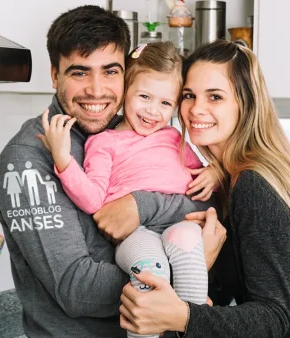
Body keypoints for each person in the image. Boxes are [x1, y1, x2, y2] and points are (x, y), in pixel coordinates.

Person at [117, 40, 290, 337]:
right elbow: (235, 295)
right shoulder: (232, 177)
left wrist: (183, 316)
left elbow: (272, 319)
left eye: (215, 97)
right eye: (189, 95)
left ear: (245, 103)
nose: (197, 109)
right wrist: (205, 262)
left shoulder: (254, 185)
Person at [0, 6, 211, 338]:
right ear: (54, 75)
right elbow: (75, 288)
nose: (96, 89)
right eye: (79, 72)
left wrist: (143, 205)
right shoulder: (28, 160)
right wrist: (185, 269)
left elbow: (201, 203)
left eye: (110, 71)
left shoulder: (138, 134)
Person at [38, 41, 217, 338]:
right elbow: (93, 199)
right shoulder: (104, 143)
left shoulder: (173, 138)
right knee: (150, 271)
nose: (153, 111)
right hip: (137, 235)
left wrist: (215, 172)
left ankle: (193, 327)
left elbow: (203, 185)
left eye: (165, 103)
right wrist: (63, 160)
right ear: (124, 94)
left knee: (189, 250)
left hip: (177, 227)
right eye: (144, 96)